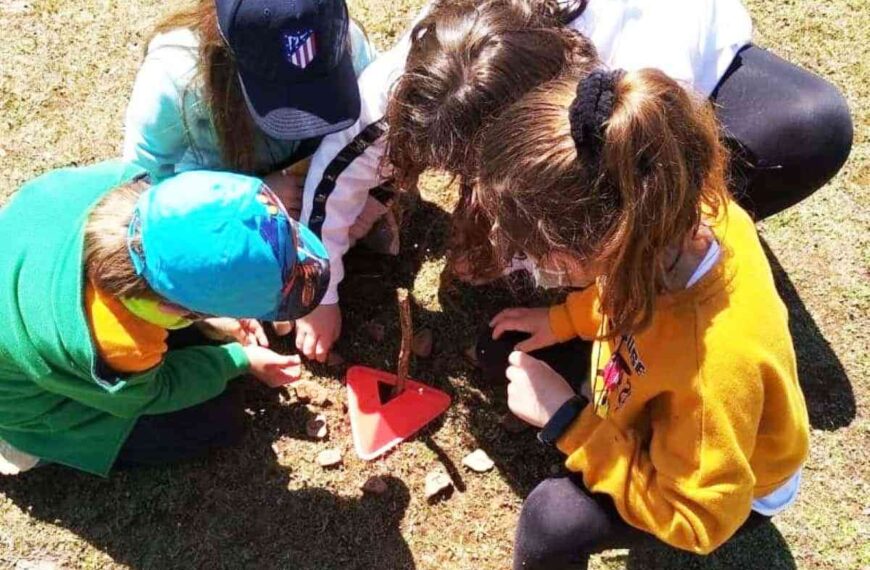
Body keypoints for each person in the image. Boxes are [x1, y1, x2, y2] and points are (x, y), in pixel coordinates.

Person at [296, 0, 852, 359]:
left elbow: (639, 199)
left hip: (684, 82)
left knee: (811, 128)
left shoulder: (640, 74)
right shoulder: (422, 71)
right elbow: (341, 168)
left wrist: (569, 297)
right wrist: (320, 290)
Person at [474, 67, 810, 568]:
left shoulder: (716, 368)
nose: (533, 264)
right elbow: (618, 290)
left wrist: (569, 422)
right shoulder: (669, 218)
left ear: (608, 241)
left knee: (552, 519)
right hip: (650, 395)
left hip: (712, 490)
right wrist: (564, 321)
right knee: (503, 347)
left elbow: (699, 521)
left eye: (541, 254)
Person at [0, 161, 330, 477]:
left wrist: (206, 318)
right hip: (27, 405)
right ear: (173, 310)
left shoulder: (128, 182)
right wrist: (237, 360)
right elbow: (156, 392)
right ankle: (25, 446)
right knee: (219, 418)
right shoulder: (116, 344)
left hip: (32, 270)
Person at [122, 0, 390, 340]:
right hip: (218, 185)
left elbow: (376, 127)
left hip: (312, 170)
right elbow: (140, 186)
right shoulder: (174, 75)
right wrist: (245, 201)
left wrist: (369, 197)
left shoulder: (349, 43)